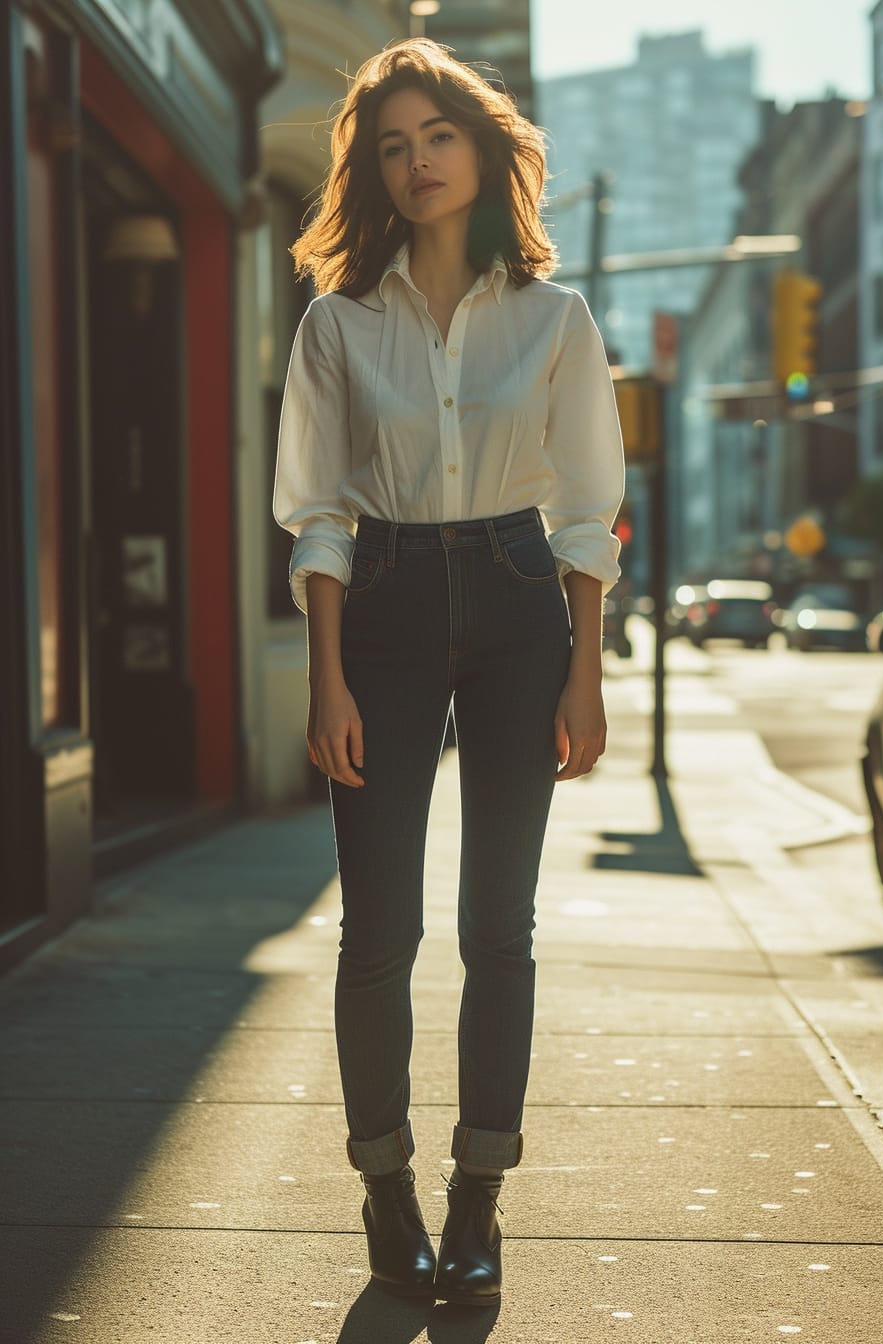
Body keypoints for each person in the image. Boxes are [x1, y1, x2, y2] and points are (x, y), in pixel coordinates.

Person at [273, 37, 624, 1308]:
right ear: (372, 172)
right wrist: (326, 675)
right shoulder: (337, 324)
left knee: (497, 929)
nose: (415, 162)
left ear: (482, 151)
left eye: (436, 137)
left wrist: (584, 672)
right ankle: (386, 1194)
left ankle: (479, 1196)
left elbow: (586, 510)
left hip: (524, 602)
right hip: (382, 605)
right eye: (390, 146)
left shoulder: (556, 318)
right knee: (379, 930)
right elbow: (315, 510)